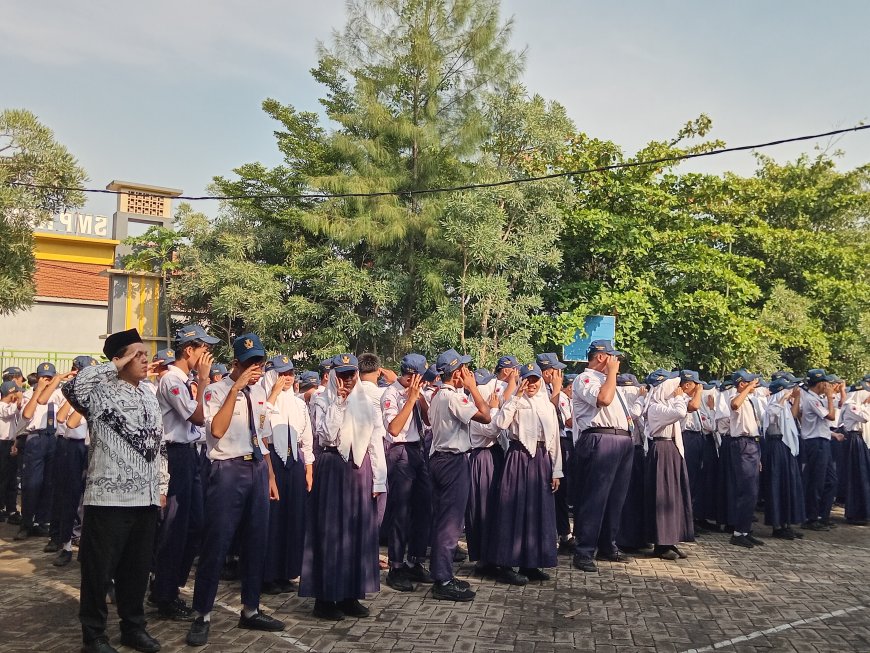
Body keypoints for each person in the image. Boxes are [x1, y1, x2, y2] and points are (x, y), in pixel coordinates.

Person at [62, 328, 168, 653]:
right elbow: (72, 386)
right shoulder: (98, 392)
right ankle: (93, 636)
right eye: (137, 354)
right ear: (119, 358)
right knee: (98, 572)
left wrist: (162, 486)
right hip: (108, 500)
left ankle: (133, 628)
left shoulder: (149, 395)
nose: (145, 359)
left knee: (135, 573)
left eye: (145, 354)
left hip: (146, 499)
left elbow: (160, 446)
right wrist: (114, 364)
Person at [186, 333, 284, 647]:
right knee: (217, 543)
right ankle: (201, 614)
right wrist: (236, 388)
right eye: (250, 362)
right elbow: (216, 430)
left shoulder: (259, 393)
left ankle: (251, 609)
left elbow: (263, 437)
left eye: (260, 362)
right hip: (227, 470)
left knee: (257, 541)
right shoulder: (215, 391)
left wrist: (269, 476)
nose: (256, 368)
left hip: (255, 468)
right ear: (236, 363)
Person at [300, 353, 387, 620]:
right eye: (343, 375)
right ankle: (325, 598)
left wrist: (379, 479)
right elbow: (326, 434)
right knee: (331, 532)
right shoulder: (321, 399)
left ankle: (351, 594)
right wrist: (339, 401)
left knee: (357, 532)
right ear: (333, 376)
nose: (348, 380)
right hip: (333, 467)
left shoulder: (367, 402)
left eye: (352, 374)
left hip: (359, 469)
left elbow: (375, 440)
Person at [152, 324, 218, 621]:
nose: (207, 356)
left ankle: (171, 585)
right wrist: (203, 381)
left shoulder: (183, 379)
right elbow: (197, 416)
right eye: (204, 349)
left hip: (189, 455)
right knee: (175, 527)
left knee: (194, 524)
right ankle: (163, 593)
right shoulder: (172, 379)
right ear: (188, 350)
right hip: (175, 456)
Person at [428, 348, 492, 601]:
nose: (467, 372)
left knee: (444, 519)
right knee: (450, 522)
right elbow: (486, 416)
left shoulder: (438, 395)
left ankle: (442, 572)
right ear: (456, 374)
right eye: (463, 369)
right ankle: (442, 579)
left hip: (440, 459)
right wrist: (473, 388)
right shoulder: (454, 397)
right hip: (452, 461)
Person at [492, 362, 562, 581]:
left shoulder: (546, 405)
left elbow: (554, 439)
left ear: (541, 381)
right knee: (513, 508)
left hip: (541, 460)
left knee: (538, 510)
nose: (531, 384)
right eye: (527, 379)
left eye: (535, 380)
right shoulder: (514, 402)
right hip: (518, 457)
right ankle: (506, 564)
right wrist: (516, 398)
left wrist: (556, 470)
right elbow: (501, 424)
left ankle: (531, 562)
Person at [570, 339, 632, 573]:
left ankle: (608, 544)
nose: (617, 362)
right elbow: (603, 400)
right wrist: (612, 374)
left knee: (616, 498)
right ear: (601, 357)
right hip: (600, 438)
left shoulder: (609, 380)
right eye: (613, 357)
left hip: (621, 439)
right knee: (594, 498)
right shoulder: (585, 379)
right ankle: (584, 550)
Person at [380, 353, 435, 592]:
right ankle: (396, 566)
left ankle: (415, 560)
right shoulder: (390, 394)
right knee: (400, 511)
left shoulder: (418, 392)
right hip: (399, 451)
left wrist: (420, 398)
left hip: (418, 449)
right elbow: (393, 428)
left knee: (424, 506)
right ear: (410, 375)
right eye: (419, 376)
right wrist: (410, 399)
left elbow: (428, 420)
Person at [262, 355, 314, 594]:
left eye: (291, 373)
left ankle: (287, 571)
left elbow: (306, 437)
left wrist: (309, 467)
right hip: (271, 458)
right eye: (282, 374)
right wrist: (272, 393)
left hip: (294, 461)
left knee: (294, 518)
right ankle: (268, 574)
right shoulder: (263, 400)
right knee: (273, 520)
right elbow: (261, 425)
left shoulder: (298, 403)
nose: (287, 378)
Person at [465, 368, 515, 582]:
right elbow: (491, 430)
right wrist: (494, 409)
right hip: (483, 458)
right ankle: (486, 559)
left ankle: (492, 556)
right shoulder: (475, 410)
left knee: (494, 508)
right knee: (484, 509)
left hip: (493, 456)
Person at [643, 373, 697, 560]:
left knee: (673, 495)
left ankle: (670, 539)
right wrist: (679, 397)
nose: (676, 390)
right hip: (662, 449)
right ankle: (661, 542)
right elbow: (681, 413)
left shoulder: (664, 406)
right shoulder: (655, 407)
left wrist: (677, 399)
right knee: (662, 494)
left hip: (671, 448)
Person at [15, 361, 70, 540]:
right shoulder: (28, 394)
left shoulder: (59, 393)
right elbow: (27, 415)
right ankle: (26, 523)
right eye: (43, 377)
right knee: (32, 483)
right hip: (36, 438)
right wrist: (38, 390)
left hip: (53, 437)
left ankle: (41, 521)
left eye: (50, 377)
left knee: (49, 483)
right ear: (38, 378)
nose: (47, 380)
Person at [762, 378, 806, 539]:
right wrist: (784, 397)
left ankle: (787, 523)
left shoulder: (784, 406)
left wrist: (796, 398)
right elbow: (772, 415)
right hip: (776, 446)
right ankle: (777, 525)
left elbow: (792, 415)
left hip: (786, 448)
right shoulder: (773, 404)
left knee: (789, 484)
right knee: (777, 485)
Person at [799, 369, 840, 531]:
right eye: (826, 383)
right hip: (815, 443)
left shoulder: (816, 398)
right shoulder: (811, 399)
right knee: (816, 481)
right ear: (821, 383)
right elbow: (830, 416)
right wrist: (830, 397)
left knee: (831, 480)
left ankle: (823, 515)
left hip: (823, 441)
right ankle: (811, 517)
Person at [727, 369, 764, 548]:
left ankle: (745, 530)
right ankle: (737, 532)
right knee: (746, 489)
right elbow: (734, 405)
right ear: (742, 384)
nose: (754, 385)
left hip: (753, 444)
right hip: (742, 443)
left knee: (753, 491)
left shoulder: (750, 400)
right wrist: (746, 389)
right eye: (750, 382)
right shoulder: (736, 398)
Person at [839, 380, 870, 524]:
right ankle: (855, 512)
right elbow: (865, 418)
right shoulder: (852, 406)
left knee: (861, 475)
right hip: (853, 439)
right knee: (856, 475)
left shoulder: (855, 405)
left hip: (857, 439)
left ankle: (862, 511)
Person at [0, 380, 23, 524]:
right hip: (1, 443)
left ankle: (11, 508)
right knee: (2, 477)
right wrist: (18, 400)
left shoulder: (12, 407)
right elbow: (8, 411)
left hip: (10, 443)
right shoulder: (2, 406)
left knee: (11, 478)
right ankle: (1, 507)